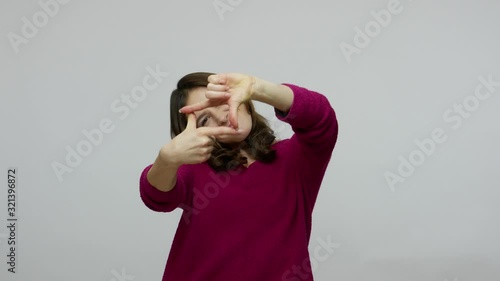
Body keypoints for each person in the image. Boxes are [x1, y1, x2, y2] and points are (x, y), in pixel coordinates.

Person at [139, 72, 339, 281]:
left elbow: (321, 119)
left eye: (220, 100)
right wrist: (167, 159)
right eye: (205, 119)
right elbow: (156, 196)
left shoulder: (294, 161)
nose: (221, 116)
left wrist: (257, 87)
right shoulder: (195, 169)